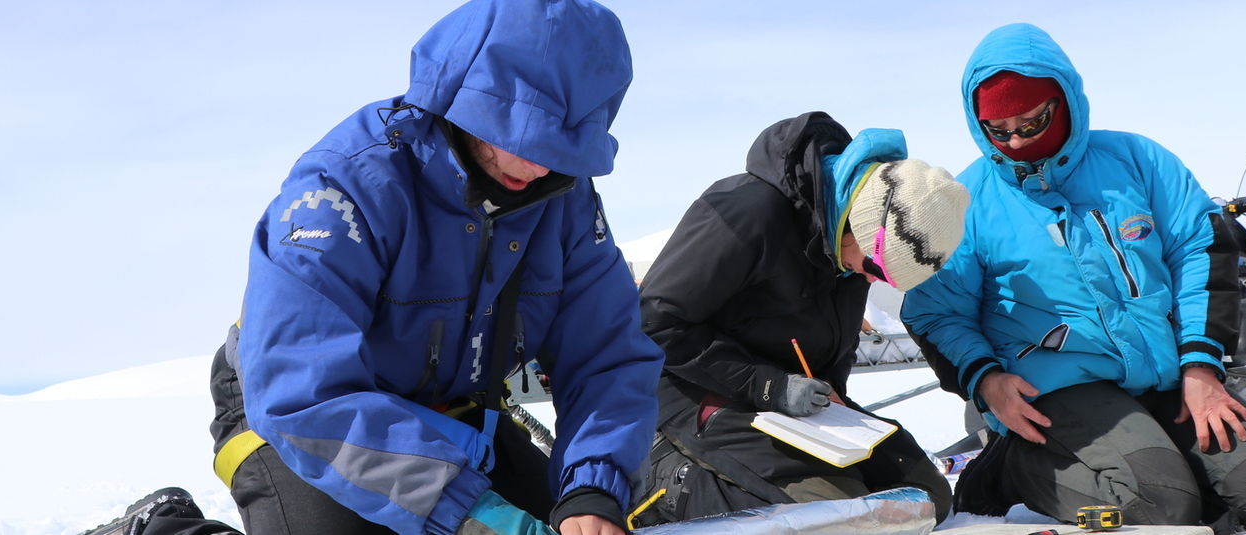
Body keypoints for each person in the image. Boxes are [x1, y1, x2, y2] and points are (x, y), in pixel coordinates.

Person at [204, 1, 662, 534]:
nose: (535, 165)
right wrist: (470, 515)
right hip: (292, 415)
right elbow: (300, 388)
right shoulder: (344, 191)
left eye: (560, 148)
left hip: (453, 410)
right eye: (515, 135)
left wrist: (591, 488)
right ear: (455, 96)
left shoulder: (567, 203)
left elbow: (606, 356)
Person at [901, 23, 1246, 526]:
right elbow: (935, 311)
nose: (1014, 140)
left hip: (1165, 373)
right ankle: (1007, 468)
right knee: (1158, 507)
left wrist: (1201, 368)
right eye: (998, 129)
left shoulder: (1137, 161)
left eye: (1031, 123)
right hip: (1053, 386)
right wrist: (987, 380)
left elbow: (1201, 251)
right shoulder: (967, 203)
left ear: (1066, 102)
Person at [632, 112, 968, 527]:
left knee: (924, 498)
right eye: (877, 268)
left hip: (784, 406)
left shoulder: (848, 248)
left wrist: (829, 391)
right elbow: (653, 323)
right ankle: (666, 484)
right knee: (842, 518)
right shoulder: (747, 213)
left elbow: (836, 344)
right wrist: (770, 386)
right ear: (862, 224)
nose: (869, 278)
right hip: (693, 393)